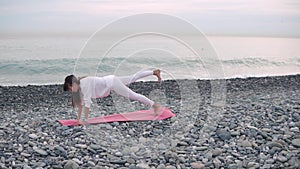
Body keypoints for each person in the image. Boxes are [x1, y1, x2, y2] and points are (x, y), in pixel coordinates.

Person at [63, 69, 161, 125]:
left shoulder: (84, 85)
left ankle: (154, 105)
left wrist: (85, 120)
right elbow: (81, 104)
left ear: (73, 83)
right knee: (132, 77)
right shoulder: (80, 87)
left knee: (133, 95)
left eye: (70, 87)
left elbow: (87, 103)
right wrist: (78, 119)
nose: (71, 90)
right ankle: (153, 72)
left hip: (112, 83)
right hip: (111, 80)